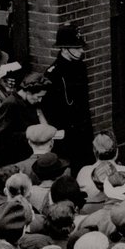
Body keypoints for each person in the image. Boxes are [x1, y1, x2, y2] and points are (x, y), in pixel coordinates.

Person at [43, 23, 94, 168]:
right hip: (66, 137)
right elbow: (50, 110)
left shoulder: (80, 67)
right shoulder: (53, 74)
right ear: (64, 49)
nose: (81, 51)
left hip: (83, 131)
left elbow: (84, 102)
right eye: (76, 48)